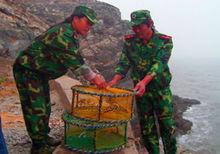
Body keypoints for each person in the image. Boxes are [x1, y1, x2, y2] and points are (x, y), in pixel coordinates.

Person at [13, 5, 106, 154]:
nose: (90, 27)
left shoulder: (71, 34)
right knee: (36, 107)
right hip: (28, 70)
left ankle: (43, 137)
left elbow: (77, 57)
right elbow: (74, 61)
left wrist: (93, 75)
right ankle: (38, 146)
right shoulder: (63, 33)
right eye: (87, 22)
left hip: (40, 73)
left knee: (45, 105)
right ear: (76, 18)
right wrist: (95, 78)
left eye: (92, 24)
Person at [108, 10, 177, 154]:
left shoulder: (164, 41)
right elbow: (124, 63)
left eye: (140, 27)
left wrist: (145, 81)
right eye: (134, 27)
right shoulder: (129, 41)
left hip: (160, 91)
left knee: (167, 126)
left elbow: (159, 64)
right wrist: (114, 80)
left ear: (150, 24)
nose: (136, 30)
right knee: (147, 129)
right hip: (141, 93)